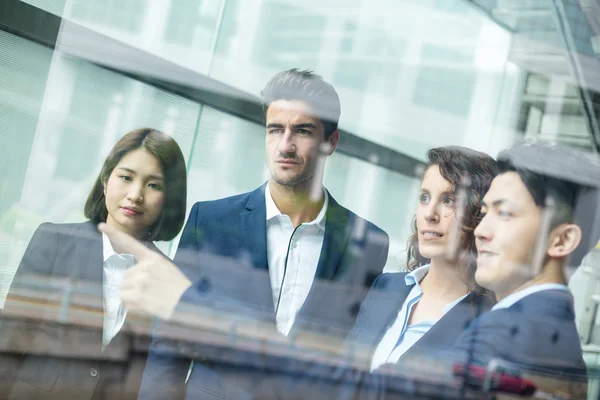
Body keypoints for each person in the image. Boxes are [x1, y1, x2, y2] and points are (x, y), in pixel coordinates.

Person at [103, 69, 390, 399]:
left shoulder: (367, 244)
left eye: (303, 131)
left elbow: (352, 365)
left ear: (331, 142)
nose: (286, 144)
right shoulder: (210, 221)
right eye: (275, 129)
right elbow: (169, 343)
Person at [373, 141, 600, 399]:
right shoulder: (553, 335)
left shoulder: (506, 333)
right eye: (484, 212)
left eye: (504, 213)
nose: (480, 231)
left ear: (562, 241)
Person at [0, 128, 187, 400]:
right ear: (105, 180)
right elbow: (9, 339)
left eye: (153, 184)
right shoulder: (54, 241)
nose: (135, 194)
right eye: (126, 177)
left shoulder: (169, 278)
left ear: (169, 199)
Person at [349, 146, 496, 372]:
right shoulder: (386, 286)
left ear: (479, 215)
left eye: (449, 200)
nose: (429, 214)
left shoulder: (486, 322)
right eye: (424, 198)